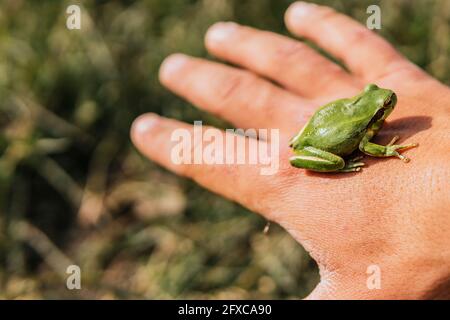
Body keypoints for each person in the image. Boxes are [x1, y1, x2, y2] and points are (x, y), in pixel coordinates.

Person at [130, 2, 450, 299]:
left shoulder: (367, 116)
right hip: (327, 148)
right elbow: (366, 146)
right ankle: (338, 163)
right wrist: (388, 152)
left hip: (311, 132)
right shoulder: (369, 129)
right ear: (377, 115)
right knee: (341, 156)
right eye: (383, 104)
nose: (389, 100)